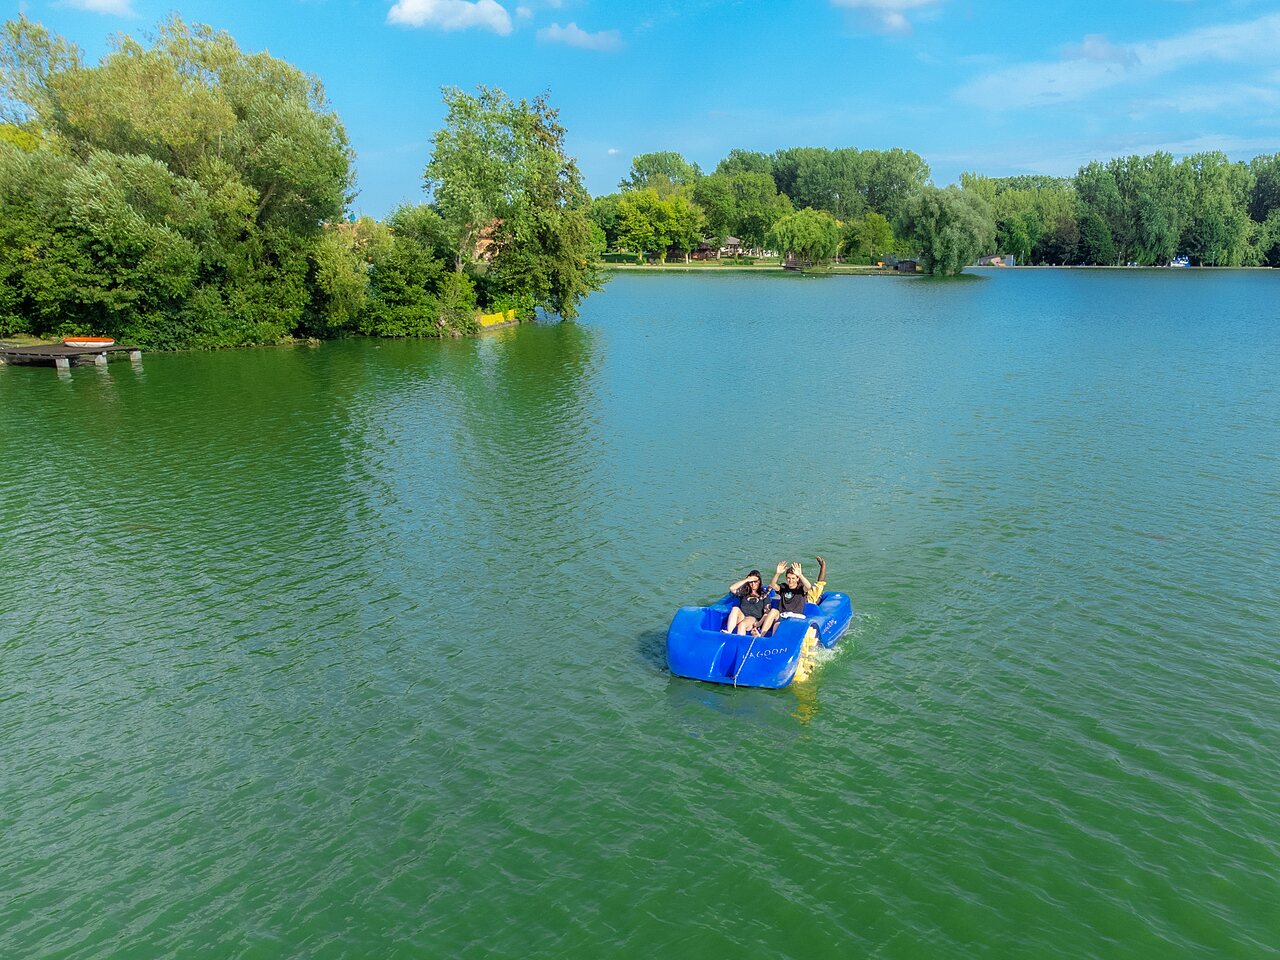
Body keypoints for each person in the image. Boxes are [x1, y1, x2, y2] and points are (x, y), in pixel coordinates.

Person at [759, 556, 826, 636]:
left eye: (793, 578)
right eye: (788, 578)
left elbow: (808, 587)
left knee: (777, 625)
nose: (790, 581)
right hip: (782, 616)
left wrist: (800, 575)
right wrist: (777, 573)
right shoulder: (784, 587)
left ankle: (774, 641)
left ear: (797, 579)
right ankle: (761, 636)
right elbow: (773, 585)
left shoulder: (801, 589)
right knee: (773, 611)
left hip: (795, 618)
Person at [724, 569, 769, 636]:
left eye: (755, 581)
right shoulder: (744, 592)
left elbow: (766, 613)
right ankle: (729, 633)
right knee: (735, 609)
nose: (753, 584)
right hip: (742, 616)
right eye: (751, 582)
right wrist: (747, 580)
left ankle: (741, 643)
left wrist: (759, 623)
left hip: (753, 619)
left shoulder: (763, 595)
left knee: (743, 624)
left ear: (759, 581)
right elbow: (732, 588)